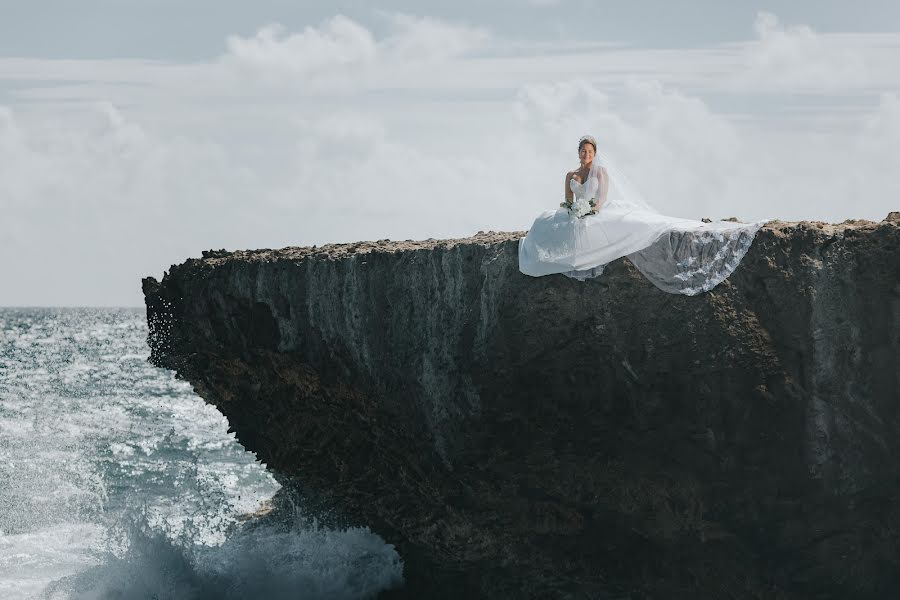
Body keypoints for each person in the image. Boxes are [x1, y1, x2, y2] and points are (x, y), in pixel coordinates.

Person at [518, 135, 768, 295]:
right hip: (576, 214)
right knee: (544, 224)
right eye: (582, 151)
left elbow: (602, 198)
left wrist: (591, 210)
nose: (586, 154)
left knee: (634, 224)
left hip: (594, 212)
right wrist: (573, 211)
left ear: (595, 153)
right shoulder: (569, 175)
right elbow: (566, 201)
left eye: (589, 151)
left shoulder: (601, 172)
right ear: (578, 153)